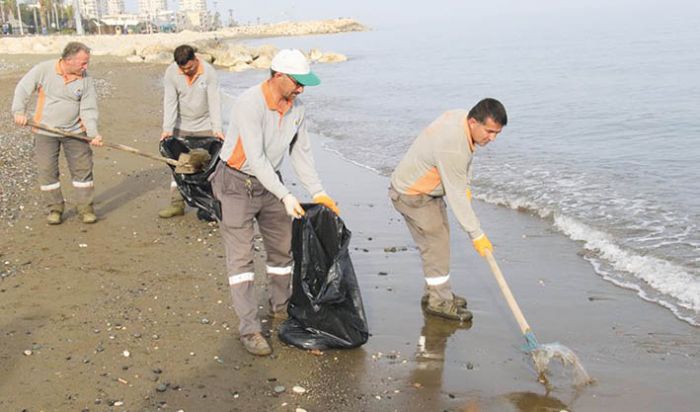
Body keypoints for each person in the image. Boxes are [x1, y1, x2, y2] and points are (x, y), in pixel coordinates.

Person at [211, 49, 339, 356]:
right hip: (235, 183)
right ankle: (250, 329)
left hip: (270, 182)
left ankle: (280, 308)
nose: (301, 89)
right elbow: (254, 158)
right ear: (278, 76)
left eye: (304, 84)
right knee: (241, 260)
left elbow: (301, 153)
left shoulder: (298, 109)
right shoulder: (249, 103)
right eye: (297, 82)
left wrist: (319, 192)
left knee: (283, 250)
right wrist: (285, 194)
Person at [389, 98, 507, 322]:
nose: (492, 138)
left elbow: (466, 161)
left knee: (438, 242)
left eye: (497, 133)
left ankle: (436, 293)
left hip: (428, 190)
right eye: (489, 131)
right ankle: (439, 301)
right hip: (412, 193)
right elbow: (455, 194)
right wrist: (477, 234)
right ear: (473, 122)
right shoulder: (453, 144)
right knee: (436, 244)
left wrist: (467, 186)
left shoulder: (461, 118)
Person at [12, 41, 103, 225]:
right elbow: (23, 88)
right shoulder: (44, 70)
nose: (86, 67)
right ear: (68, 60)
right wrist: (18, 112)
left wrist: (93, 133)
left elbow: (89, 109)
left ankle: (85, 208)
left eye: (87, 62)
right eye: (83, 63)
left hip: (76, 132)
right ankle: (55, 209)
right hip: (45, 130)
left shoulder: (86, 79)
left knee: (83, 171)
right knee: (47, 171)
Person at [159, 44, 223, 219]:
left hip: (205, 126)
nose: (187, 71)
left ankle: (207, 205)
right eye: (183, 69)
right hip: (182, 126)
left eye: (190, 68)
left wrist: (217, 129)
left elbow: (214, 101)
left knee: (206, 169)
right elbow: (170, 101)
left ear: (195, 59)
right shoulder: (172, 73)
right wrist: (167, 129)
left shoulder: (208, 72)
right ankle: (177, 204)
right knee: (179, 166)